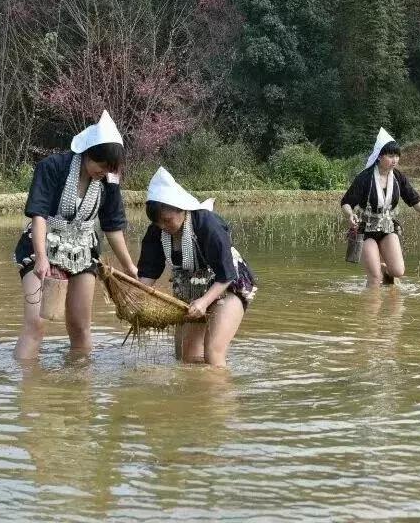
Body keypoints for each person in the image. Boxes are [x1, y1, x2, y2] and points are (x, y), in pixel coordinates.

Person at [14, 111, 139, 359]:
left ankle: (80, 380)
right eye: (101, 165)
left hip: (82, 250)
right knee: (36, 324)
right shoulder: (53, 167)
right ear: (88, 154)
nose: (104, 172)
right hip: (43, 244)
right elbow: (39, 215)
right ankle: (26, 380)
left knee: (81, 327)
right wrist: (41, 258)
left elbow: (112, 227)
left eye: (110, 169)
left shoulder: (109, 181)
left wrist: (129, 267)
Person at [137, 167, 256, 368]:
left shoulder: (207, 224)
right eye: (158, 223)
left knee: (213, 352)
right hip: (190, 290)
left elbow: (226, 273)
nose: (163, 226)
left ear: (181, 209)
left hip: (227, 286)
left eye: (167, 220)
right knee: (186, 356)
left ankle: (219, 387)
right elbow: (149, 272)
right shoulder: (157, 232)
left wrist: (204, 302)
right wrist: (136, 297)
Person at [340, 128, 420, 287]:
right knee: (375, 277)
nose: (394, 160)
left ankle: (385, 272)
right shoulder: (364, 178)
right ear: (379, 156)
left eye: (396, 156)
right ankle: (372, 300)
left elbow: (414, 200)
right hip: (365, 230)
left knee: (398, 271)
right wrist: (350, 214)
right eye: (390, 156)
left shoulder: (398, 177)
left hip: (388, 227)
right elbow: (346, 202)